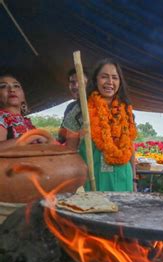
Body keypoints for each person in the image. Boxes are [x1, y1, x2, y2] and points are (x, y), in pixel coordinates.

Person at [63, 59, 137, 192]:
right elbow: (70, 151)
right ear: (95, 80)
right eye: (104, 77)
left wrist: (134, 180)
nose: (110, 82)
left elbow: (131, 147)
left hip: (124, 180)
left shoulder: (126, 111)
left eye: (115, 78)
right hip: (91, 182)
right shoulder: (81, 110)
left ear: (120, 82)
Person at [0, 74, 48, 150]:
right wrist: (28, 139)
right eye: (3, 86)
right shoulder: (2, 118)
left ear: (23, 96)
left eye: (16, 86)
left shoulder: (27, 122)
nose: (12, 90)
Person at [57, 68, 88, 143]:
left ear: (88, 85)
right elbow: (61, 136)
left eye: (80, 82)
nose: (76, 86)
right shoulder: (70, 107)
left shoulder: (97, 105)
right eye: (72, 82)